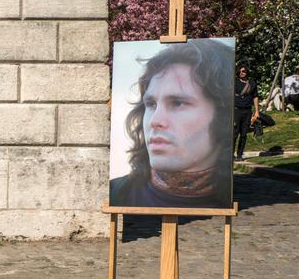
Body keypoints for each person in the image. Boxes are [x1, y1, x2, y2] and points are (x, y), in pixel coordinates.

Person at [110, 40, 234, 208]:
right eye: (151, 104)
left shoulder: (237, 200)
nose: (154, 121)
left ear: (223, 115)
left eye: (177, 103)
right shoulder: (115, 195)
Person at [233, 66, 259, 160]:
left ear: (247, 72)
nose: (241, 73)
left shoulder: (252, 83)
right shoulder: (234, 82)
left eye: (243, 71)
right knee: (234, 134)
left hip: (247, 111)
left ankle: (240, 154)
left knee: (244, 134)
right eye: (240, 71)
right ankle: (231, 154)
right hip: (236, 110)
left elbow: (255, 97)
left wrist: (257, 111)